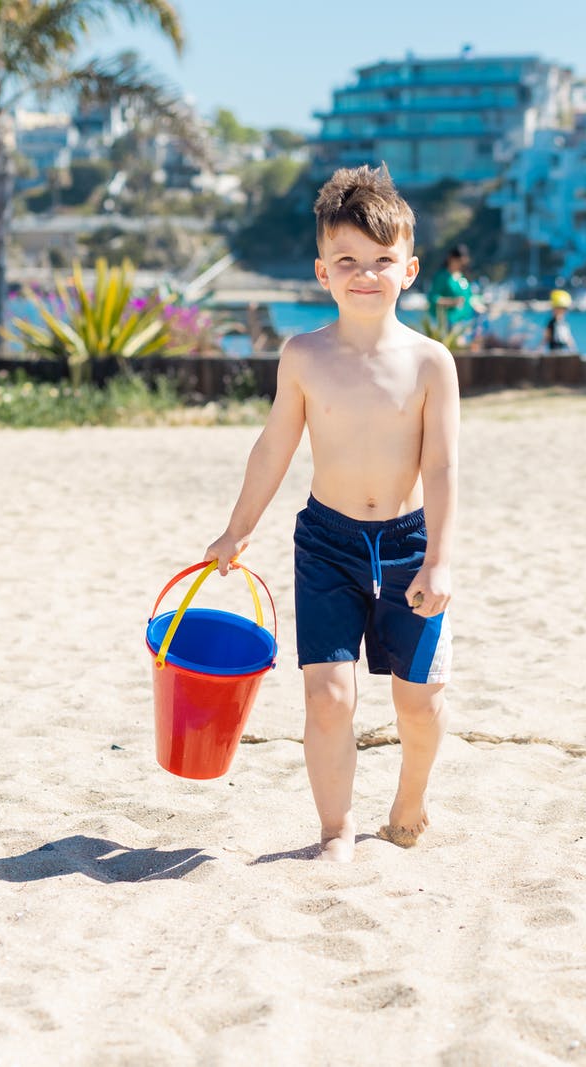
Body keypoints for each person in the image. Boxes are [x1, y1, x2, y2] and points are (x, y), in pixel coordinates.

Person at [204, 165, 460, 863]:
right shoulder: (305, 356)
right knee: (328, 696)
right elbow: (273, 446)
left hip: (409, 544)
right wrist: (237, 527)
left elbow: (440, 467)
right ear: (323, 270)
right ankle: (336, 830)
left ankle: (411, 795)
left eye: (382, 261)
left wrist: (439, 556)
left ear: (409, 268)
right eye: (348, 261)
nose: (366, 275)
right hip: (328, 543)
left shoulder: (432, 363)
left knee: (421, 700)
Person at [427, 243, 477, 344]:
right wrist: (452, 302)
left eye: (463, 262)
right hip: (446, 324)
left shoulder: (462, 277)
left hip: (465, 323)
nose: (460, 264)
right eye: (458, 261)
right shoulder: (442, 276)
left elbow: (468, 297)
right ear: (451, 259)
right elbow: (433, 298)